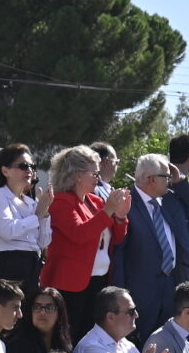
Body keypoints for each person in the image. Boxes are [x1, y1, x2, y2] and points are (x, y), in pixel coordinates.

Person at [42, 145, 130, 340]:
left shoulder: (96, 201)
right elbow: (79, 234)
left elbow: (116, 239)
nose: (98, 178)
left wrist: (121, 216)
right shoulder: (61, 201)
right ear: (77, 175)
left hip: (99, 281)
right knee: (69, 337)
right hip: (71, 284)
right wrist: (109, 211)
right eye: (94, 173)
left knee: (91, 337)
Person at [119, 154, 189, 345]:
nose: (170, 181)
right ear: (151, 179)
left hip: (171, 287)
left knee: (166, 347)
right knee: (139, 348)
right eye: (166, 176)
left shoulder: (169, 201)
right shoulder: (126, 203)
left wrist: (180, 182)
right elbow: (119, 252)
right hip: (140, 293)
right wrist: (120, 293)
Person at [0, 147, 47, 295]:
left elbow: (43, 242)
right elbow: (8, 231)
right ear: (5, 171)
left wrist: (45, 215)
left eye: (32, 166)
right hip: (4, 265)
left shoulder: (31, 202)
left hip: (31, 264)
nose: (29, 170)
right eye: (23, 166)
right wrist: (37, 216)